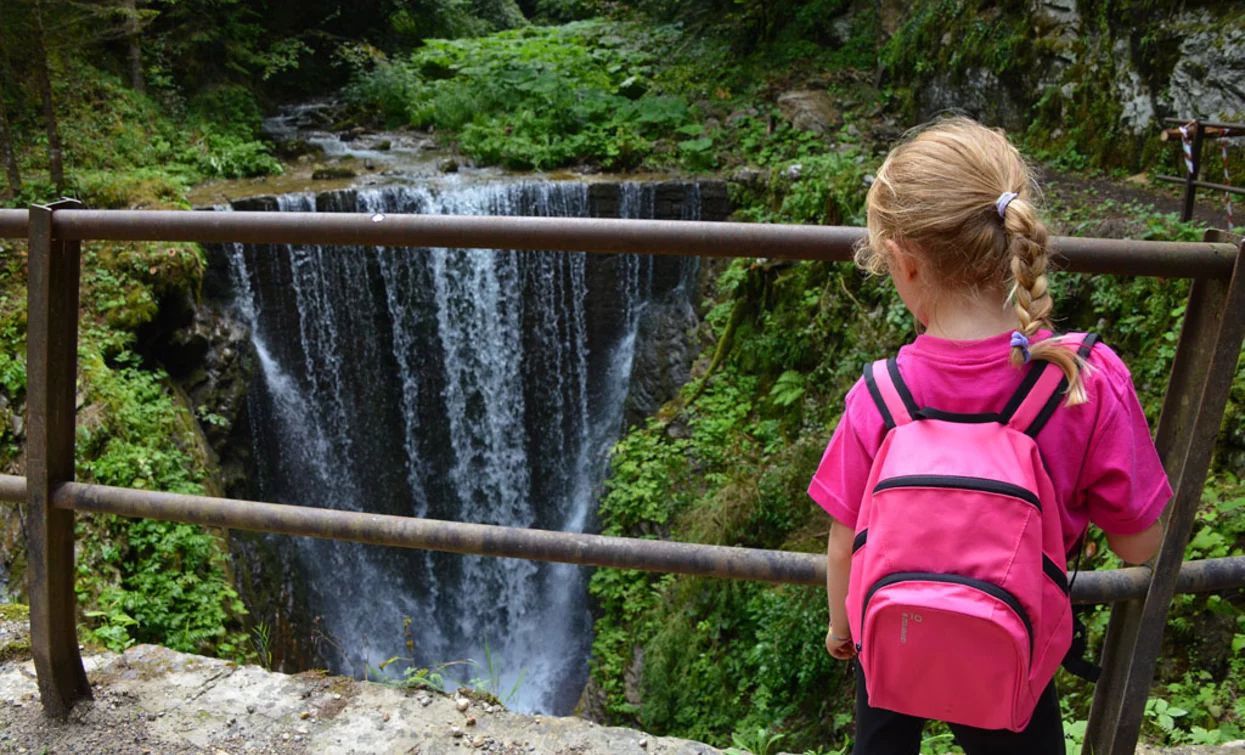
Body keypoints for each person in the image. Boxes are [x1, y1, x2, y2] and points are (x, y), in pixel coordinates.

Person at [807, 117, 1170, 754]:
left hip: (890, 639)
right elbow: (1140, 545)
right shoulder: (1083, 381)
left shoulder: (879, 394)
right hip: (1012, 643)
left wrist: (843, 630)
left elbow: (844, 542)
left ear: (902, 262)